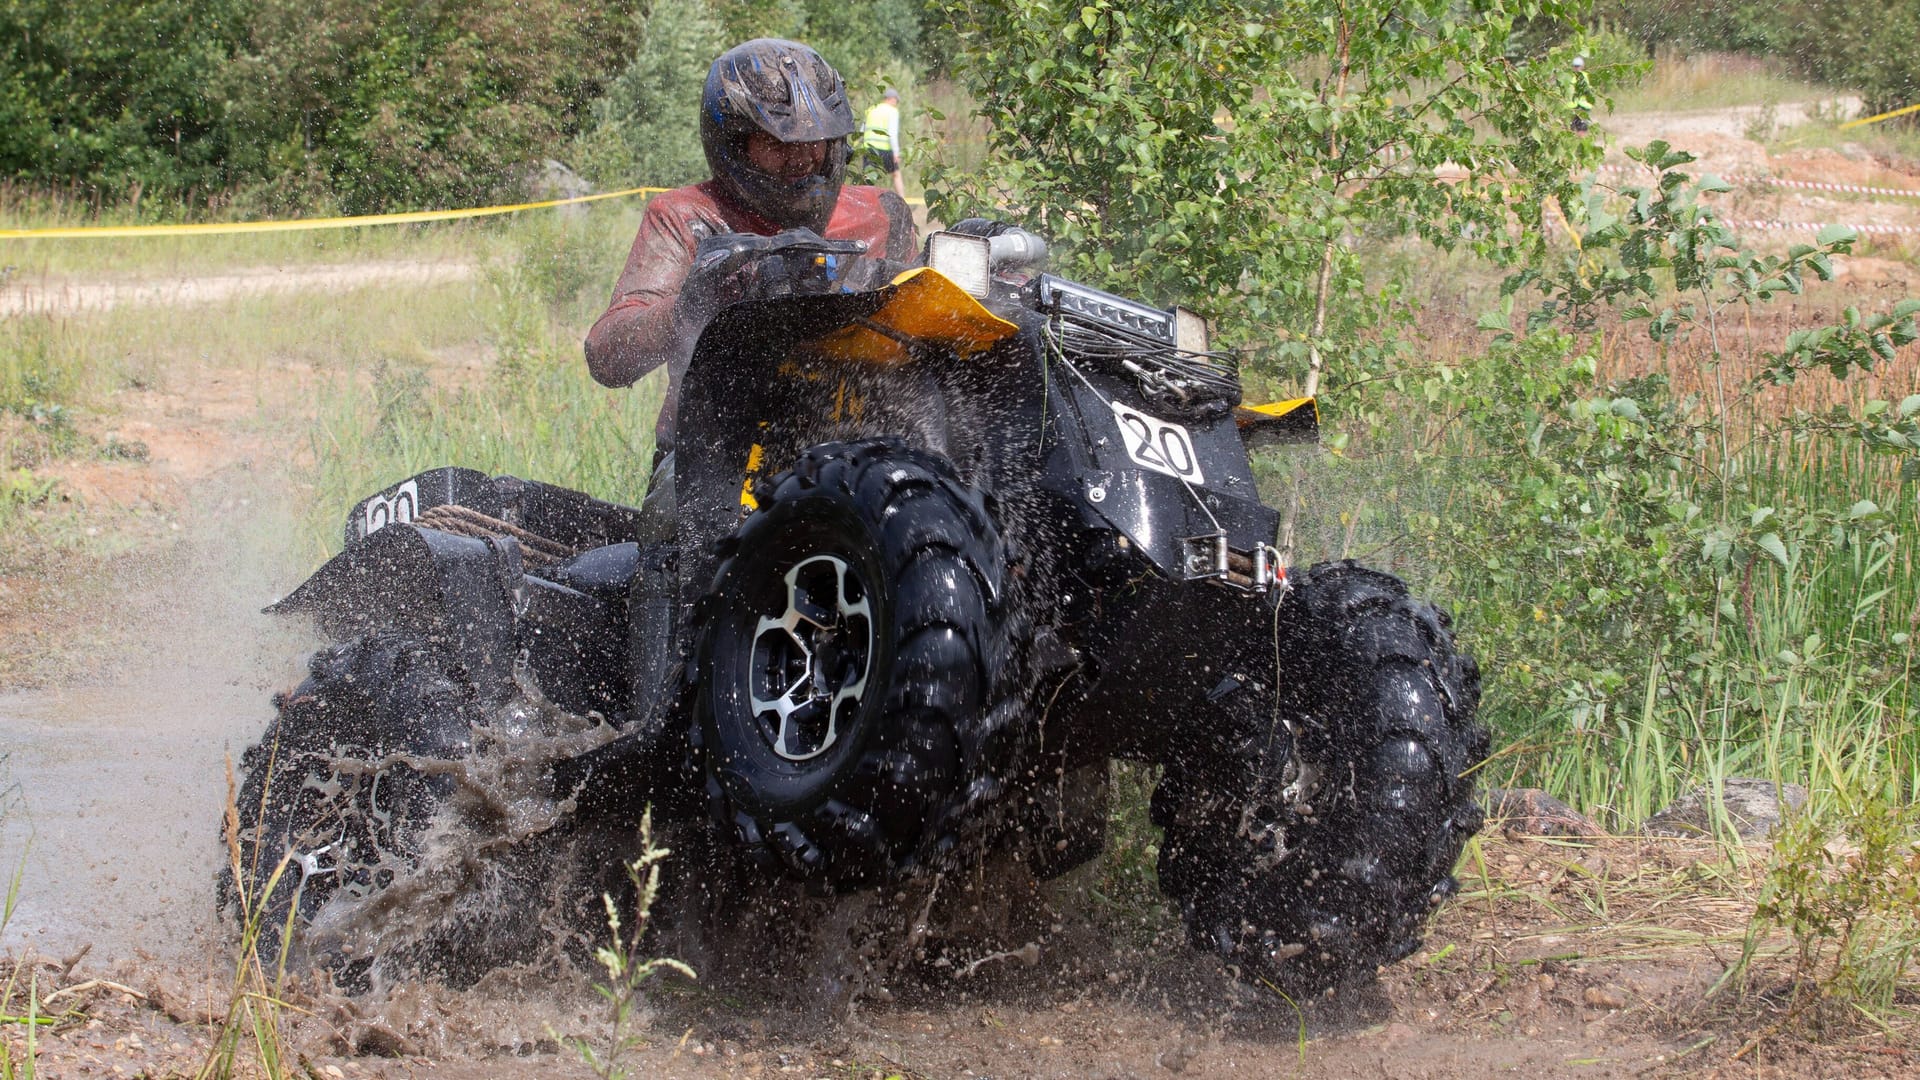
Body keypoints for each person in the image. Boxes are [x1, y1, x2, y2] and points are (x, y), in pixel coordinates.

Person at [584, 39, 919, 463]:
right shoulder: (687, 216)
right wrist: (695, 304)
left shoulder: (881, 212)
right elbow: (606, 357)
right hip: (713, 461)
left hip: (863, 454)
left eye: (814, 140)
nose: (801, 157)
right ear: (735, 143)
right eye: (777, 143)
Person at [860, 88, 908, 201]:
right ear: (891, 99)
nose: (896, 104)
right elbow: (892, 133)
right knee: (896, 174)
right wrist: (896, 152)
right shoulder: (892, 111)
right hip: (884, 149)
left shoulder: (871, 109)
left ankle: (867, 202)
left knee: (868, 177)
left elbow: (862, 130)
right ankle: (903, 200)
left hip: (868, 149)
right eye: (896, 101)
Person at [1568, 56, 1594, 134]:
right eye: (1575, 66)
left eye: (1578, 66)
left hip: (1584, 106)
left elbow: (1588, 90)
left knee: (1582, 128)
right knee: (1570, 129)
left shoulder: (1586, 76)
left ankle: (1582, 143)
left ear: (1582, 66)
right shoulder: (1570, 76)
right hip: (1572, 107)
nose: (1576, 68)